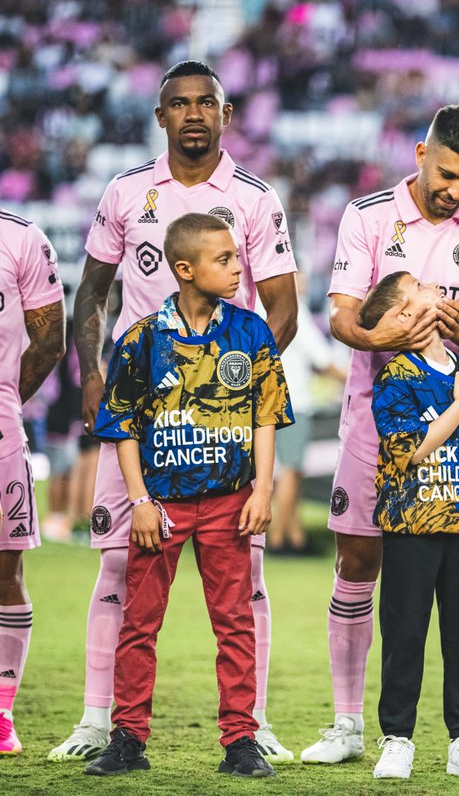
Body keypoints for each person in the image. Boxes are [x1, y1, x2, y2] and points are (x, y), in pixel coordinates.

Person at [55, 59, 299, 764]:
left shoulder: (255, 198)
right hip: (142, 424)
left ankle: (251, 726)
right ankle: (102, 721)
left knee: (241, 585)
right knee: (117, 571)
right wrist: (94, 371)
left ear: (226, 114)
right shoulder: (127, 191)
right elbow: (92, 291)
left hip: (219, 430)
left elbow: (280, 307)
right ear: (161, 117)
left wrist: (232, 381)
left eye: (207, 103)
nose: (194, 114)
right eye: (179, 104)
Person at [303, 103, 459, 765]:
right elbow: (342, 316)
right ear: (420, 152)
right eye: (450, 174)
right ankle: (348, 725)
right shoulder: (367, 215)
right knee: (359, 564)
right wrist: (386, 336)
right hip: (376, 420)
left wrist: (451, 325)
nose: (457, 191)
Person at [84, 213, 293, 778]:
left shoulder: (250, 332)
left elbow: (266, 418)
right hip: (161, 506)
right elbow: (122, 423)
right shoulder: (142, 338)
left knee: (234, 623)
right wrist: (140, 501)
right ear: (184, 269)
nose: (236, 266)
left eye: (236, 256)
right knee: (140, 622)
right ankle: (127, 738)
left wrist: (262, 490)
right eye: (223, 259)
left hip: (231, 502)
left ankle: (241, 741)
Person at [358, 272, 459, 780]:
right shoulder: (395, 376)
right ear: (403, 315)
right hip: (410, 528)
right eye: (419, 287)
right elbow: (409, 452)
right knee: (405, 634)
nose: (434, 288)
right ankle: (396, 739)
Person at [0, 209, 65, 754]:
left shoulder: (21, 238)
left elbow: (50, 341)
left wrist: (5, 400)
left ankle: (1, 714)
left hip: (1, 432)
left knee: (5, 571)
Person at [270, 284, 344, 555]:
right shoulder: (294, 308)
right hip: (293, 402)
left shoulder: (265, 305)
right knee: (291, 469)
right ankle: (278, 539)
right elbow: (323, 360)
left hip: (270, 401)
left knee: (284, 470)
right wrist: (357, 383)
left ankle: (295, 535)